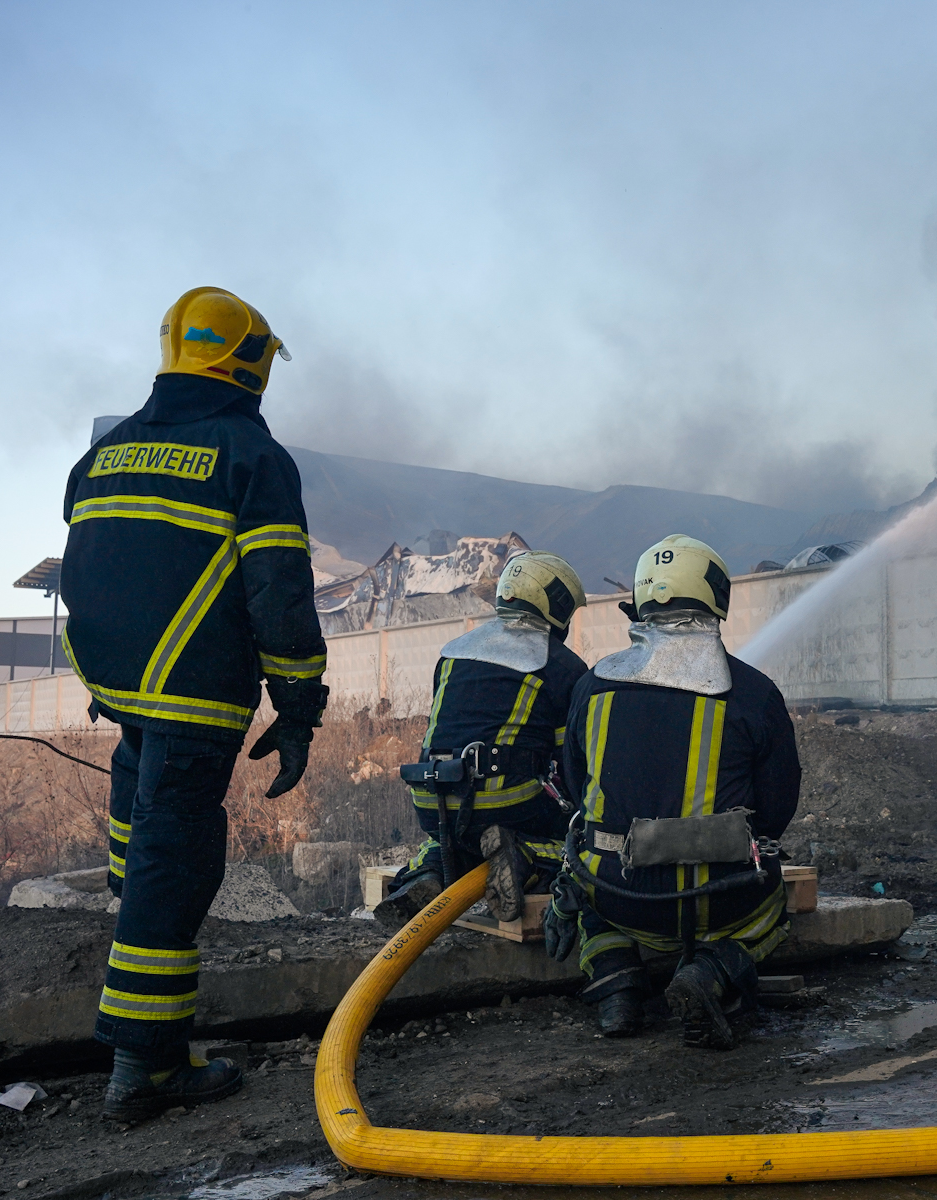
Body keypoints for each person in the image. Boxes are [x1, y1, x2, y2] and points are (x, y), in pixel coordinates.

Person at [61, 287, 327, 1120]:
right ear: (249, 361)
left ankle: (131, 895)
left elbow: (102, 562)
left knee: (146, 837)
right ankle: (146, 1066)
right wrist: (299, 705)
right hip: (196, 700)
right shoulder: (251, 457)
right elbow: (279, 598)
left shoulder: (106, 453)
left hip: (123, 693)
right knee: (177, 867)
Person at [550, 535, 800, 1047]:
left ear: (640, 603)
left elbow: (577, 791)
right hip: (719, 900)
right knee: (773, 902)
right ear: (716, 598)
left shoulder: (591, 686)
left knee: (589, 904)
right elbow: (776, 810)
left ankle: (616, 984)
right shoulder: (754, 692)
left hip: (620, 894)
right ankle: (708, 971)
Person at [373, 551, 589, 931]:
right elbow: (569, 760)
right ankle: (524, 855)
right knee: (581, 844)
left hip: (431, 795)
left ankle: (430, 871)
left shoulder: (453, 652)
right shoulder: (562, 665)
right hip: (503, 801)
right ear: (557, 605)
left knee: (459, 835)